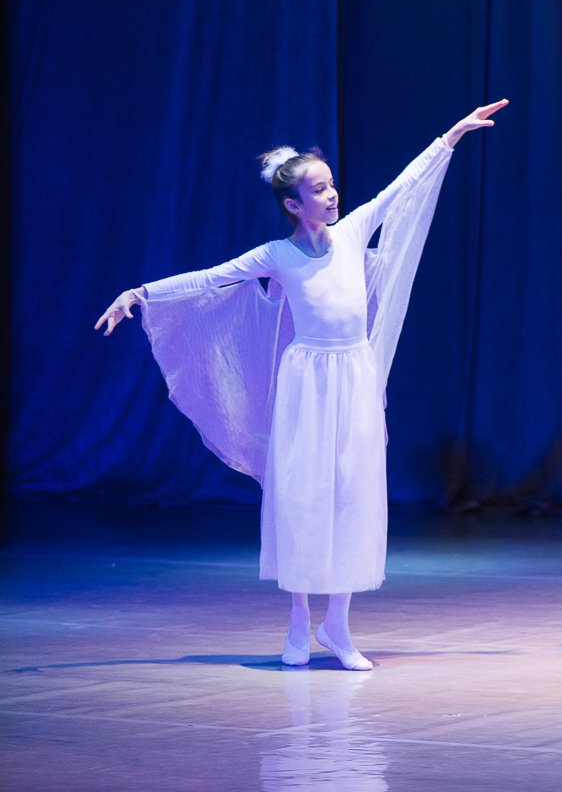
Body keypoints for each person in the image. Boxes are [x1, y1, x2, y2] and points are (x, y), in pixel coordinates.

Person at [95, 100, 509, 669]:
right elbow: (209, 280)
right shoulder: (278, 256)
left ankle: (337, 624)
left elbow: (404, 186)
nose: (333, 195)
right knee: (303, 495)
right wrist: (138, 294)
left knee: (352, 491)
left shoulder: (355, 230)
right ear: (293, 205)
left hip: (355, 375)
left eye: (332, 185)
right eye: (319, 190)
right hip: (307, 382)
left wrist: (452, 135)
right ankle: (297, 620)